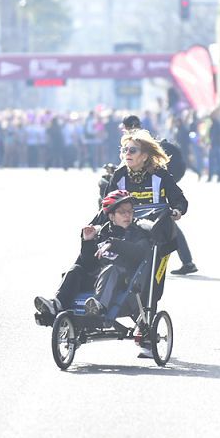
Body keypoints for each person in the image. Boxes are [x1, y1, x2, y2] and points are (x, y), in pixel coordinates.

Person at [104, 129, 193, 274]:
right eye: (125, 149)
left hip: (156, 232)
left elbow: (179, 199)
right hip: (127, 229)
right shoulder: (119, 176)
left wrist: (177, 210)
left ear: (145, 156)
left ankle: (186, 262)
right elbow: (106, 204)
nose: (127, 153)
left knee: (150, 272)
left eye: (132, 150)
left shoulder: (160, 174)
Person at [81, 191, 153, 319]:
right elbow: (88, 264)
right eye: (122, 212)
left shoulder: (138, 232)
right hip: (97, 278)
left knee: (111, 269)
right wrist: (88, 242)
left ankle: (99, 307)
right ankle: (57, 305)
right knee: (75, 270)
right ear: (111, 216)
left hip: (124, 281)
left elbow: (140, 252)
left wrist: (114, 244)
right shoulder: (102, 233)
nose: (127, 215)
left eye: (130, 211)